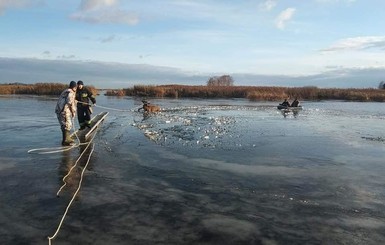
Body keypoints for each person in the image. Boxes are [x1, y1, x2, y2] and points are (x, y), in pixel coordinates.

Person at [55, 81, 77, 146]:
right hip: (64, 111)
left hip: (59, 110)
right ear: (74, 87)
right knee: (68, 125)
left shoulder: (65, 91)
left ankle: (66, 139)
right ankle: (66, 140)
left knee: (63, 125)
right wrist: (73, 112)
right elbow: (70, 103)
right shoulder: (71, 92)